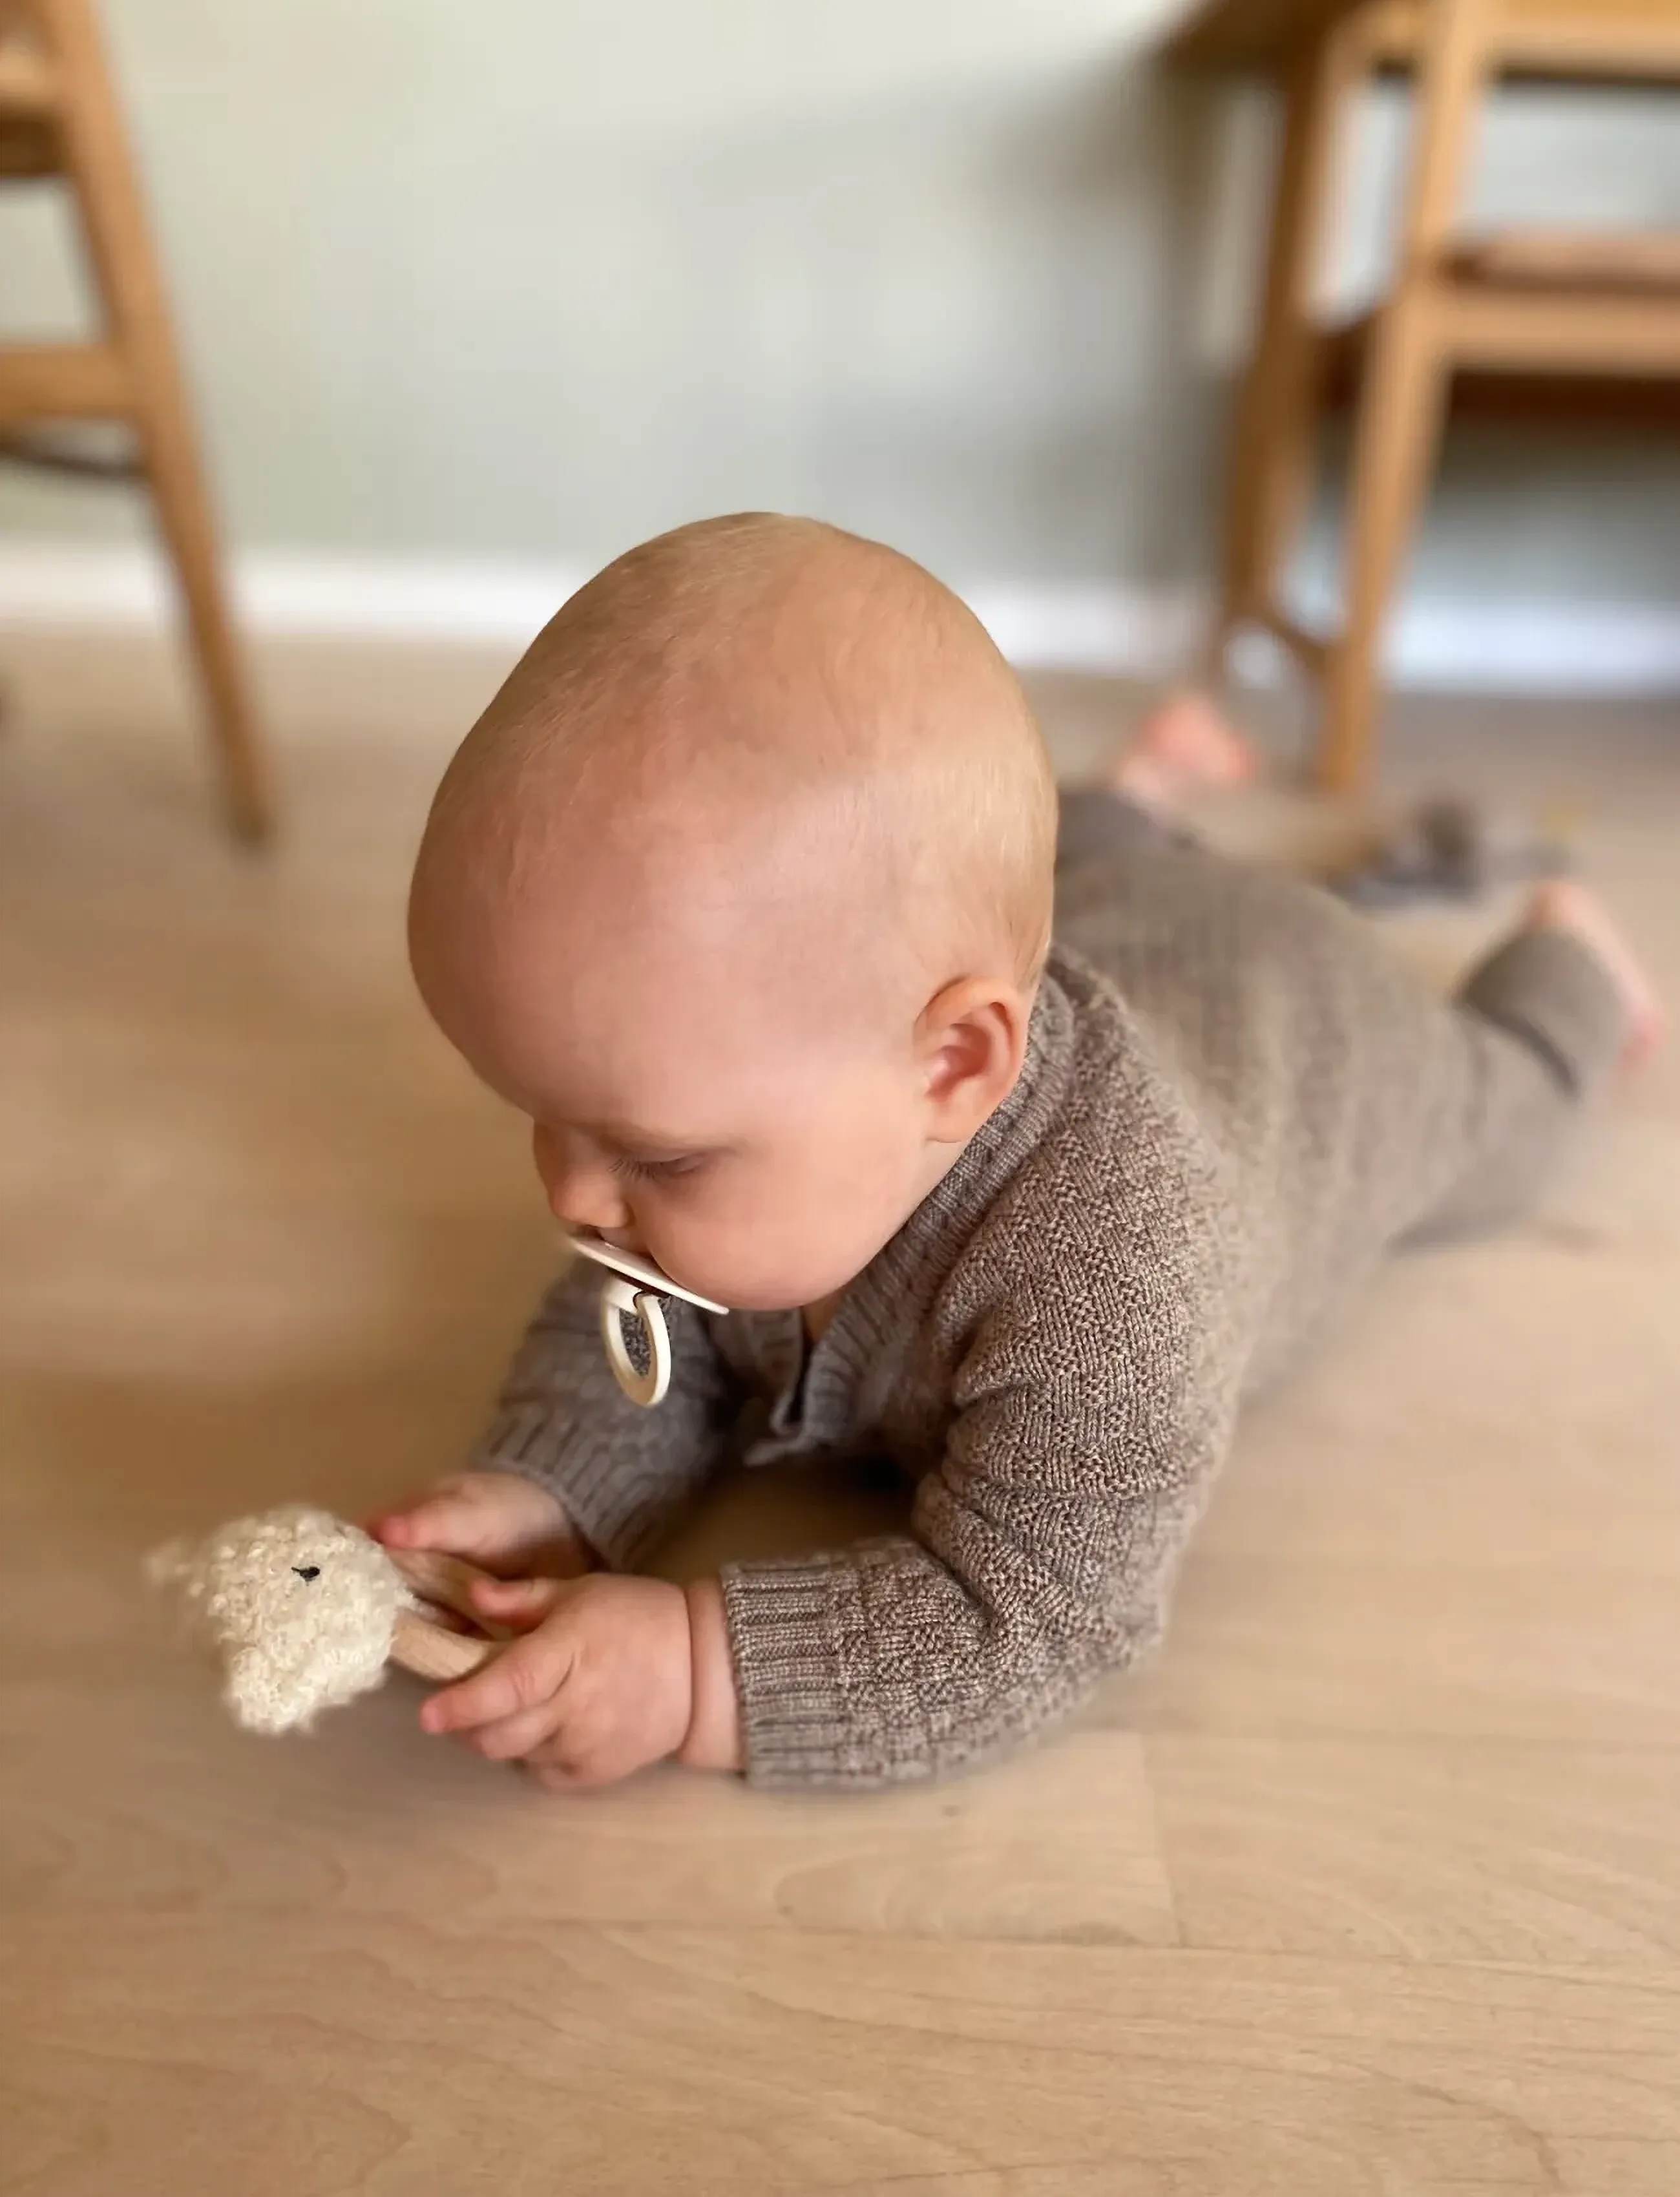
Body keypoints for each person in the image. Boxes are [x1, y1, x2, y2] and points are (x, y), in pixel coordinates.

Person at [372, 514, 1663, 1791]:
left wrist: (695, 1672)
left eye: (662, 1157)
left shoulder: (1119, 1275)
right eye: (540, 1113)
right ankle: (1131, 801)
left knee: (1514, 1117)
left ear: (950, 1066)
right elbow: (641, 1340)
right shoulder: (812, 1076)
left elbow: (1033, 1613)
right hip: (1124, 925)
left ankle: (1574, 955)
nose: (575, 1194)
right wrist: (553, 1488)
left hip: (1317, 1031)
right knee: (1037, 871)